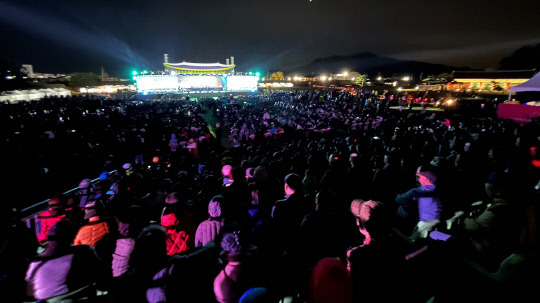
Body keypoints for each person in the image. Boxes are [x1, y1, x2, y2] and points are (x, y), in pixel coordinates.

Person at [25, 220, 101, 301]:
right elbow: (100, 273)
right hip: (72, 297)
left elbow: (30, 292)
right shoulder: (82, 251)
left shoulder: (35, 262)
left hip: (43, 300)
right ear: (71, 237)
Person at [395, 164, 442, 239]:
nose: (416, 179)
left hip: (405, 221)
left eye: (418, 176)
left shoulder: (416, 192)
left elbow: (398, 200)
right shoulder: (438, 190)